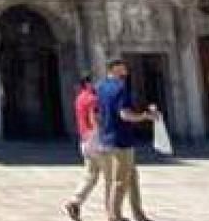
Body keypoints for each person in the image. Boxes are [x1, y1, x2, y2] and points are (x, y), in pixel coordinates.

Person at [97, 58, 158, 221]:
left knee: (131, 177)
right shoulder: (121, 88)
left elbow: (98, 113)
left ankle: (138, 213)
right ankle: (114, 216)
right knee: (120, 181)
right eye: (123, 68)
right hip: (121, 140)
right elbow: (125, 115)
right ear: (115, 69)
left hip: (106, 138)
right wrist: (145, 116)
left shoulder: (101, 87)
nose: (126, 71)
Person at [64, 75, 105, 221]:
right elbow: (94, 117)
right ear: (87, 83)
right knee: (111, 174)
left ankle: (75, 201)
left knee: (91, 175)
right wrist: (100, 130)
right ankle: (113, 211)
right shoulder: (93, 98)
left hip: (84, 139)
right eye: (94, 82)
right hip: (95, 138)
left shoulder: (79, 98)